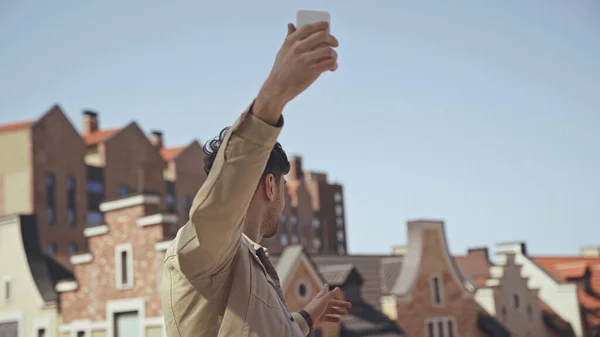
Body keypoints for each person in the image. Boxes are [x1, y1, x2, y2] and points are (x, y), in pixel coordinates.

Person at [160, 21, 352, 337]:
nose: (285, 201)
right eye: (284, 189)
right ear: (270, 185)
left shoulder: (250, 265)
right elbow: (223, 197)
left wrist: (305, 318)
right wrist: (275, 94)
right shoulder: (205, 250)